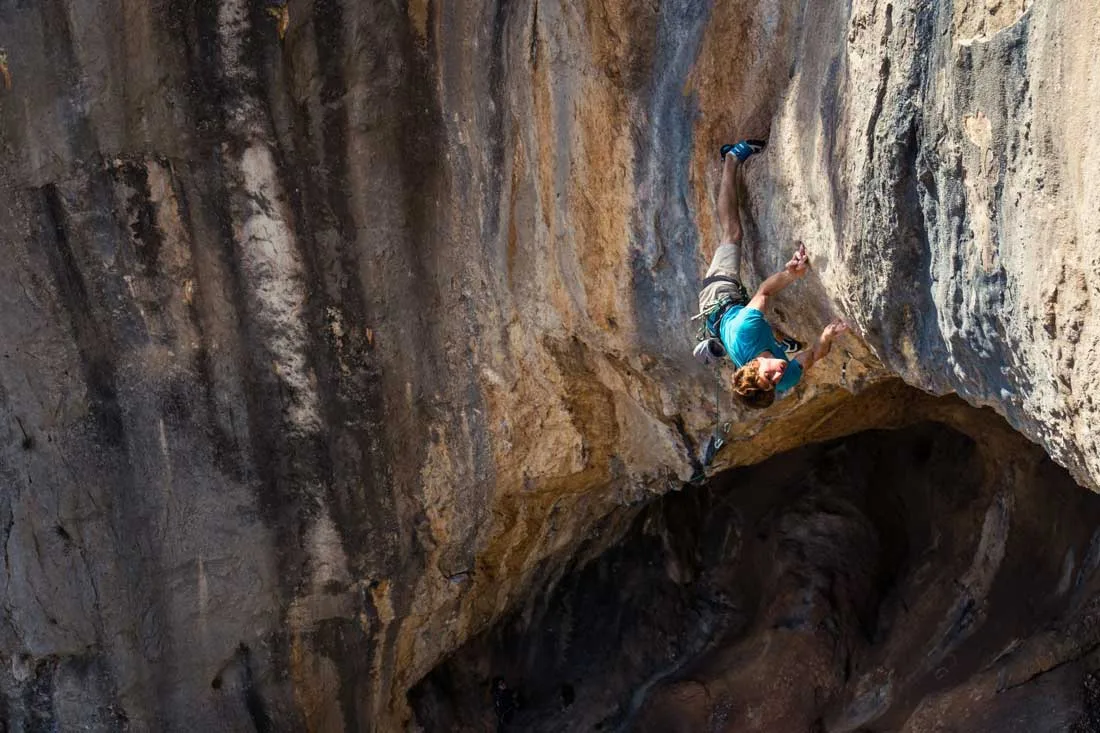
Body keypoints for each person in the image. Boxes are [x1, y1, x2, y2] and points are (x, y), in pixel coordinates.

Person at [693, 140, 849, 409]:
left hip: (719, 299)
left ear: (754, 365)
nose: (777, 375)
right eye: (774, 382)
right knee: (781, 341)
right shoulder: (784, 378)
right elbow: (813, 356)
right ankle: (776, 340)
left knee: (732, 234)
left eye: (769, 375)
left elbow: (764, 291)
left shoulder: (747, 331)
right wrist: (826, 337)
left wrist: (792, 274)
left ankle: (731, 159)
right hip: (736, 327)